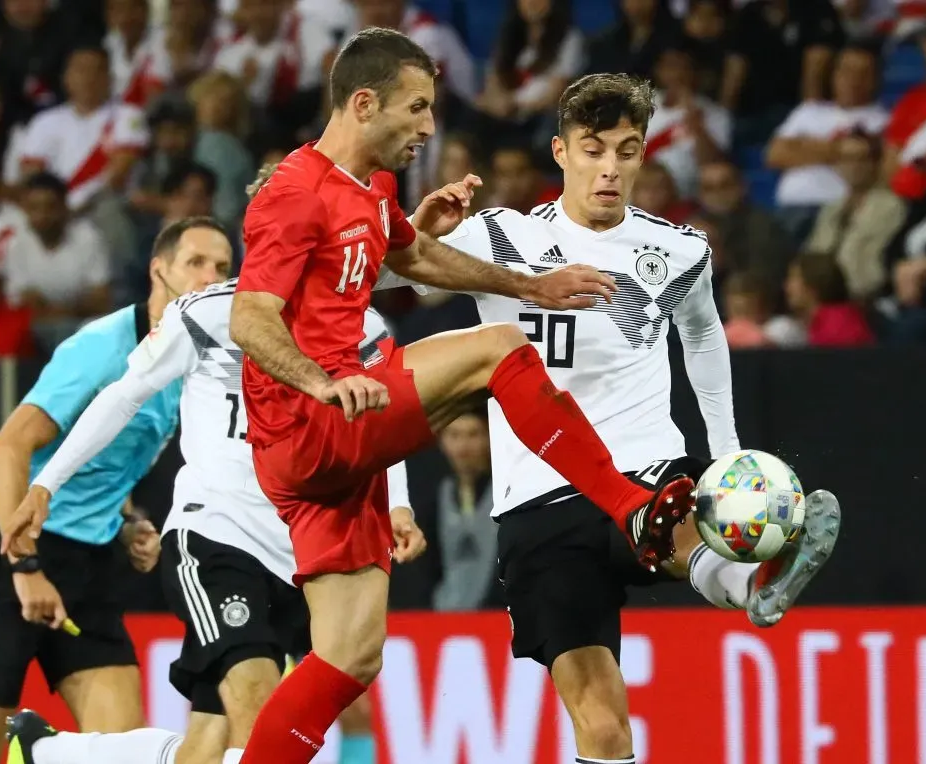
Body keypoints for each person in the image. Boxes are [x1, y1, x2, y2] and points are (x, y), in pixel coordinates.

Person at [231, 29, 691, 764]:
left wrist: (528, 284)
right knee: (501, 351)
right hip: (312, 418)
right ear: (363, 102)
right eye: (417, 108)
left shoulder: (373, 187)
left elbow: (410, 253)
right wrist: (323, 380)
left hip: (323, 450)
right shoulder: (292, 193)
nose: (429, 126)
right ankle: (628, 505)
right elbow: (248, 316)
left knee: (350, 656)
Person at [407, 72, 842, 764]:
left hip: (643, 464)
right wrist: (413, 237)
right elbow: (391, 282)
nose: (610, 168)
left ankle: (745, 581)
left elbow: (702, 336)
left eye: (627, 150)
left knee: (664, 515)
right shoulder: (499, 237)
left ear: (643, 156)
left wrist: (726, 452)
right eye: (593, 149)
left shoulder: (679, 250)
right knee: (605, 727)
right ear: (560, 152)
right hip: (537, 494)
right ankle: (736, 580)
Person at [2, 292, 421, 764]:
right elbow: (123, 395)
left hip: (296, 554)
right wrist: (46, 485)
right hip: (213, 537)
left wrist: (399, 506)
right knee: (260, 710)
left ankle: (50, 751)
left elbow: (382, 420)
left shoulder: (359, 323)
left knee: (208, 746)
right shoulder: (205, 313)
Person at [0, 216, 231, 764]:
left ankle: (34, 745)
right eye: (196, 263)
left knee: (118, 748)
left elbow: (101, 465)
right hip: (11, 554)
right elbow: (6, 450)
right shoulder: (104, 347)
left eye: (224, 268)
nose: (211, 277)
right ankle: (21, 742)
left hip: (89, 565)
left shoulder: (193, 365)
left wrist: (130, 521)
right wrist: (24, 566)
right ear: (160, 270)